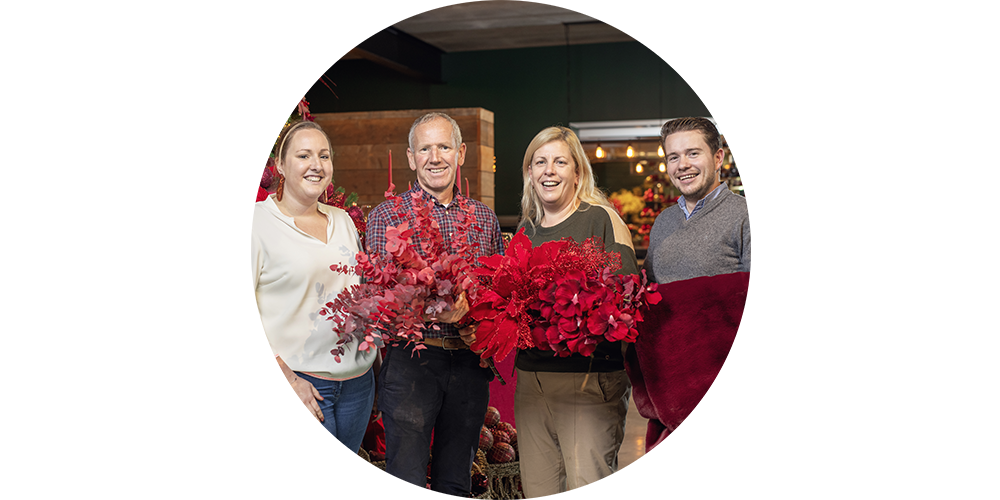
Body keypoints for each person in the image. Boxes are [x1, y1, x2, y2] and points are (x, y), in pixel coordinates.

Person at [366, 112, 504, 499]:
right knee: (406, 480)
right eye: (425, 148)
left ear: (461, 153)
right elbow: (376, 298)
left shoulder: (484, 218)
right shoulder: (386, 216)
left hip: (469, 364)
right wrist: (428, 309)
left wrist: (474, 315)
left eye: (444, 146)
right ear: (411, 158)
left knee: (456, 481)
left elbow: (497, 294)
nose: (435, 157)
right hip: (412, 363)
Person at [513, 126, 636, 499]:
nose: (549, 170)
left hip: (587, 381)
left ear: (578, 173)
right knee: (538, 491)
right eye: (540, 162)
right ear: (530, 173)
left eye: (560, 162)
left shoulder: (601, 219)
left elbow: (627, 301)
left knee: (590, 490)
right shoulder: (526, 230)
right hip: (531, 381)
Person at [251, 120, 379, 462]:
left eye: (324, 156)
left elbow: (361, 293)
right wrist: (283, 379)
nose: (316, 165)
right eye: (304, 155)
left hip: (358, 384)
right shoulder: (255, 222)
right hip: (300, 383)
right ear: (280, 164)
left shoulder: (344, 221)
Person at [643, 116, 750, 282]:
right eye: (673, 157)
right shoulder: (663, 220)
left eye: (693, 154)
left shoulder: (746, 215)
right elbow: (648, 287)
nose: (682, 165)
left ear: (718, 159)